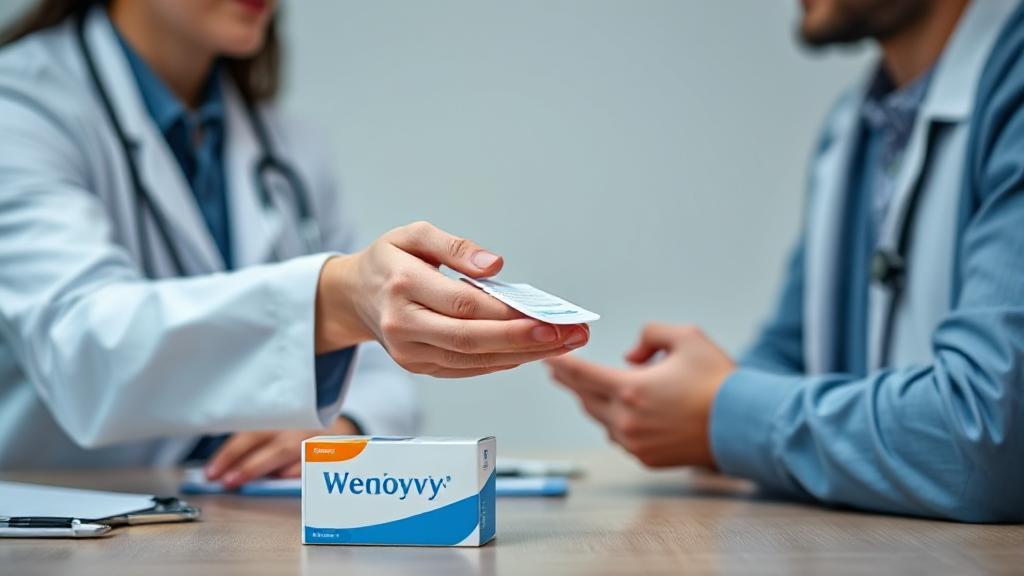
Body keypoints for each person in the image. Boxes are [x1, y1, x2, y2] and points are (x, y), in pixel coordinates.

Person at [0, 0, 591, 481]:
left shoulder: (287, 147)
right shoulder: (21, 107)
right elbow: (81, 345)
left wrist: (341, 427)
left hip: (235, 527)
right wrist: (333, 301)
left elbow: (379, 376)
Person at [547, 0, 1024, 522]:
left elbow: (991, 440)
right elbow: (792, 358)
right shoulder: (854, 127)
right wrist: (685, 398)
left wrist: (720, 413)